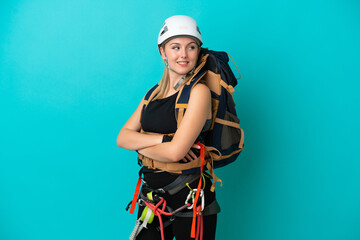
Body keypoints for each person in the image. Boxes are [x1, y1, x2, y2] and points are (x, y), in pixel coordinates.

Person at [117, 15, 219, 240]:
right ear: (162, 52)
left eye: (191, 47)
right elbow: (122, 138)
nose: (183, 55)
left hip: (190, 200)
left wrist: (140, 143)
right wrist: (163, 140)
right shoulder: (152, 94)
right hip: (153, 199)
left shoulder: (199, 92)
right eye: (175, 47)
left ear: (198, 52)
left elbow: (176, 153)